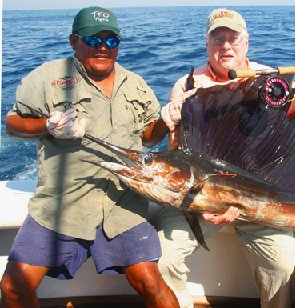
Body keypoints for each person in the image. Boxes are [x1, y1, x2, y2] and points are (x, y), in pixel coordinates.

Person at [156, 8, 295, 308]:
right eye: (218, 39)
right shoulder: (186, 86)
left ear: (246, 43)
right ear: (207, 43)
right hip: (201, 199)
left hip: (258, 196)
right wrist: (169, 120)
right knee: (163, 261)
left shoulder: (270, 79)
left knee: (281, 268)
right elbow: (178, 157)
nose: (225, 46)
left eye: (232, 38)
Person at [0, 6, 177, 308]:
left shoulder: (134, 83)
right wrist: (47, 125)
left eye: (111, 41)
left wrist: (166, 119)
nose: (103, 48)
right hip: (61, 205)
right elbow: (13, 124)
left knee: (150, 281)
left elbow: (149, 137)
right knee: (13, 286)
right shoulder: (45, 78)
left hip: (122, 204)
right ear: (74, 41)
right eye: (94, 40)